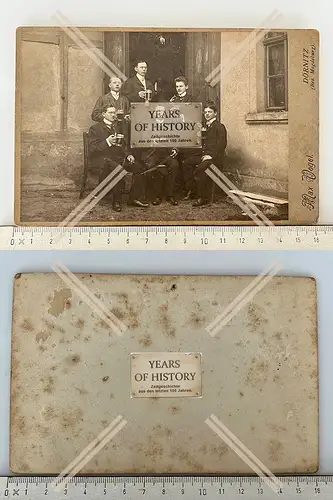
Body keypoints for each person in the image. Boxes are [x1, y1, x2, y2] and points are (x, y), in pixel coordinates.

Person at [88, 105, 150, 212]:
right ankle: (116, 201)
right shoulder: (95, 129)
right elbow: (92, 149)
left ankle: (134, 198)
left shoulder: (117, 127)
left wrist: (128, 155)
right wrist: (107, 142)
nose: (113, 115)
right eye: (110, 113)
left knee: (139, 168)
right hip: (102, 160)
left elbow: (122, 145)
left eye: (114, 113)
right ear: (103, 114)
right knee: (119, 170)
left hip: (117, 158)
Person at [189, 102, 227, 207]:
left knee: (201, 168)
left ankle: (203, 197)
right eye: (205, 112)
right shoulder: (205, 126)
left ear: (215, 113)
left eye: (209, 112)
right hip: (205, 155)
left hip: (215, 158)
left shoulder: (219, 127)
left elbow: (222, 144)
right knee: (186, 163)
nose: (207, 114)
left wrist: (211, 156)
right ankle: (192, 191)